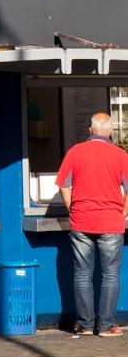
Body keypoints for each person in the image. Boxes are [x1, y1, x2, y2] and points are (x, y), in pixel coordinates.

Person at [56, 112, 128, 337]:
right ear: (111, 131)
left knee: (82, 274)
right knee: (110, 275)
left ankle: (85, 325)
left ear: (90, 130)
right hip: (111, 222)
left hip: (81, 221)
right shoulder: (120, 155)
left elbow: (63, 185)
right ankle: (106, 326)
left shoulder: (75, 152)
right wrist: (124, 212)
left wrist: (73, 209)